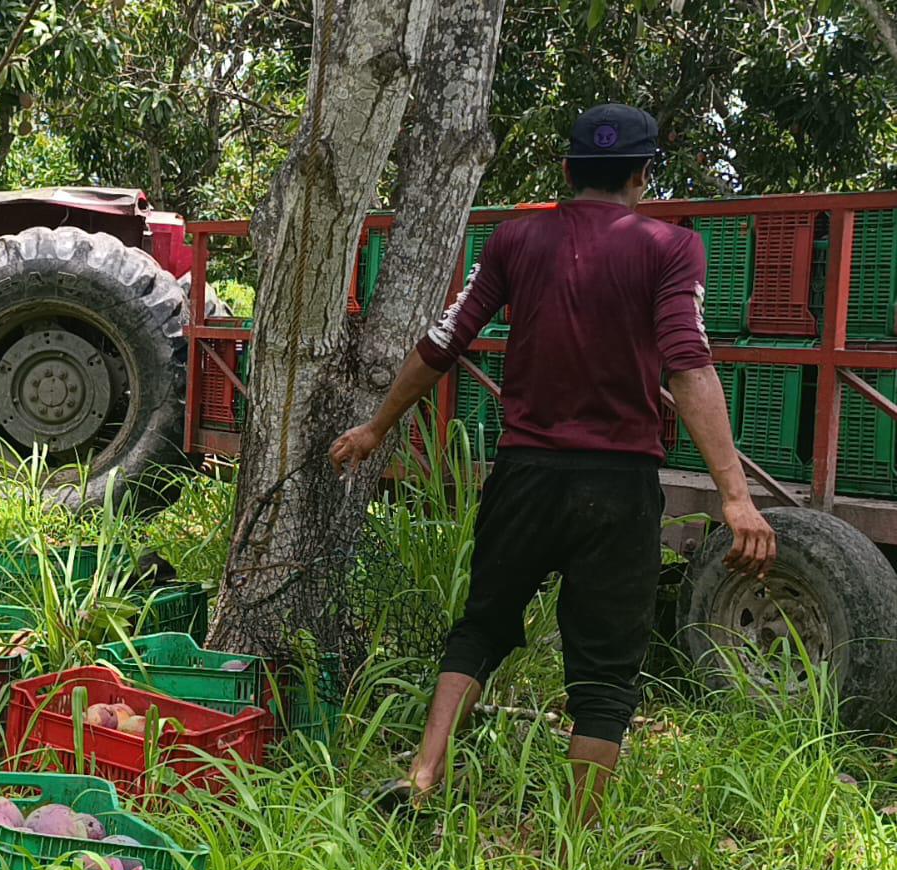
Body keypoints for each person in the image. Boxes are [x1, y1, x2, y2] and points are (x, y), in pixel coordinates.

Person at [328, 103, 777, 827]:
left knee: (482, 624)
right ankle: (574, 840)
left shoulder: (514, 239)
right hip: (619, 485)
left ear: (566, 171)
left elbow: (444, 340)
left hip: (524, 474)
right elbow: (687, 362)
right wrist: (734, 494)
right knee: (604, 671)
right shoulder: (669, 247)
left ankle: (421, 776)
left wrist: (376, 426)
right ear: (642, 174)